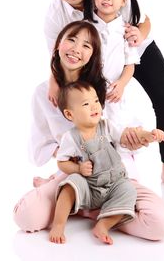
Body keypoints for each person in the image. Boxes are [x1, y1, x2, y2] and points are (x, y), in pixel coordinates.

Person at [42, 0, 164, 194]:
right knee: (71, 101)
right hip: (98, 59)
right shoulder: (56, 14)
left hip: (132, 48)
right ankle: (70, 167)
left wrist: (140, 34)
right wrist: (55, 81)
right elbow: (58, 55)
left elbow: (144, 19)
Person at [13, 20, 164, 241]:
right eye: (71, 39)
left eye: (87, 45)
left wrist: (139, 137)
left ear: (93, 55)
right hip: (75, 175)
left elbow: (120, 133)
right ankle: (81, 201)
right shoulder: (43, 93)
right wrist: (72, 161)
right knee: (26, 217)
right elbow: (40, 146)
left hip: (113, 176)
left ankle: (86, 208)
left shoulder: (106, 89)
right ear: (57, 44)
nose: (77, 49)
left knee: (160, 225)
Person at [49, 80, 138, 245]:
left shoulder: (106, 126)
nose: (95, 106)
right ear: (70, 114)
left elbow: (123, 136)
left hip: (114, 184)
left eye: (96, 100)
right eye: (86, 104)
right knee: (70, 184)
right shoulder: (71, 137)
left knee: (129, 191)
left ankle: (103, 224)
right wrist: (78, 168)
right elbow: (61, 162)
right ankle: (59, 224)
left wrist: (144, 135)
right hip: (90, 188)